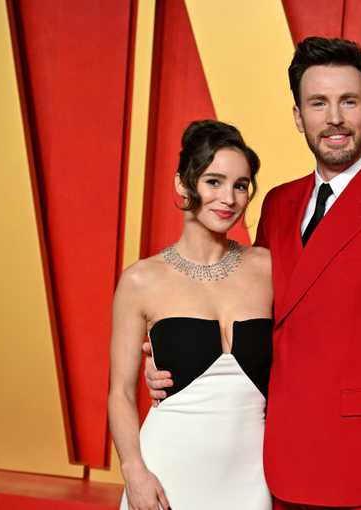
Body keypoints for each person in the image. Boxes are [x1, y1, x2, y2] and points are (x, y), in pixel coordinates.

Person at [145, 37, 361, 510]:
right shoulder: (278, 202)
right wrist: (178, 355)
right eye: (318, 102)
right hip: (270, 462)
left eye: (348, 101)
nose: (334, 117)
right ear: (298, 116)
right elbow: (252, 315)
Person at [109, 120, 273, 510]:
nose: (229, 198)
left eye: (240, 185)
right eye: (213, 182)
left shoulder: (268, 269)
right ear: (183, 185)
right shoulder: (141, 280)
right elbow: (120, 392)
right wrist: (135, 472)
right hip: (167, 473)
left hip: (251, 477)